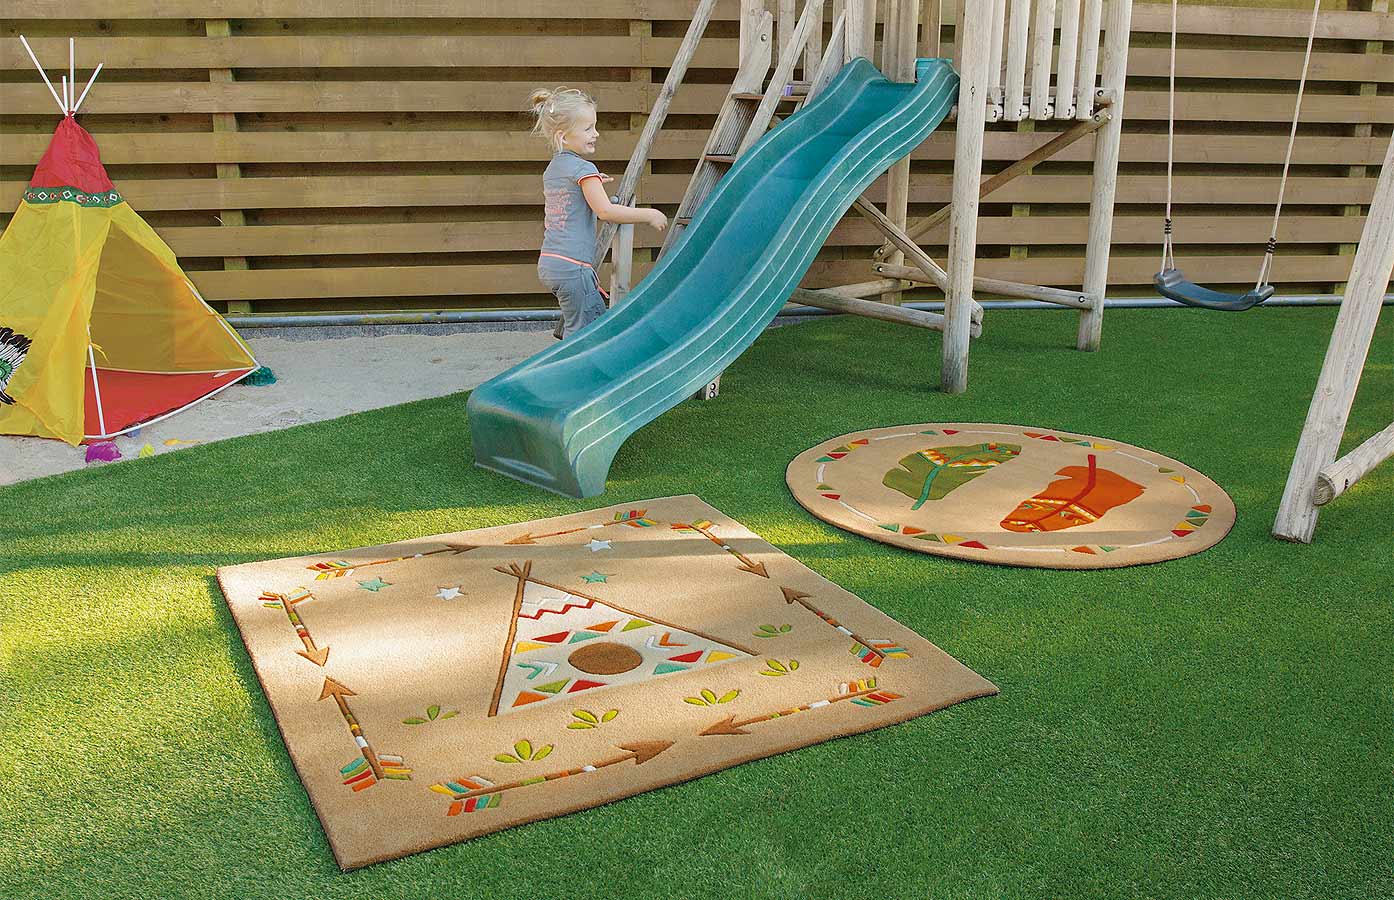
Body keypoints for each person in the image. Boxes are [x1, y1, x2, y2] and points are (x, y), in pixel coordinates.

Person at [528, 86, 668, 339]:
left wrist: (592, 182)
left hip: (551, 263)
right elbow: (605, 211)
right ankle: (574, 365)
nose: (596, 133)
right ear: (563, 136)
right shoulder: (583, 169)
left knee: (582, 322)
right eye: (588, 128)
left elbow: (570, 197)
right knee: (586, 335)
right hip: (573, 268)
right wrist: (649, 215)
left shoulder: (554, 169)